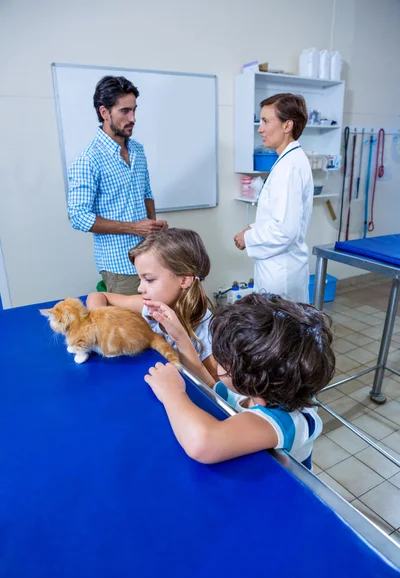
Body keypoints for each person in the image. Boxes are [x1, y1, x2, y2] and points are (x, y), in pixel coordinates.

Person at [144, 293, 335, 468]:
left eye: (221, 360)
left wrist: (172, 394)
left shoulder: (285, 421)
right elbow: (211, 387)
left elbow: (202, 444)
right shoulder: (257, 390)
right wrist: (180, 337)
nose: (216, 360)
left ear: (245, 377)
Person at [68, 75, 168, 295]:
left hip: (149, 256)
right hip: (119, 266)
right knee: (130, 328)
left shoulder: (138, 151)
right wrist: (133, 227)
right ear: (104, 112)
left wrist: (152, 228)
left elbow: (146, 193)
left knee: (154, 323)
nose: (132, 118)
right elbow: (78, 216)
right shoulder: (88, 159)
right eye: (125, 111)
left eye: (134, 110)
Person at [86, 228, 218, 384]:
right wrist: (102, 320)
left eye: (149, 279)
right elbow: (97, 296)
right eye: (140, 279)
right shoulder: (147, 305)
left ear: (184, 280)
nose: (140, 288)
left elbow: (215, 388)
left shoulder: (207, 329)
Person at [234, 93, 313, 303]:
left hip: (281, 273)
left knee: (281, 333)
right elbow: (279, 216)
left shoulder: (289, 167)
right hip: (279, 267)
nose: (260, 128)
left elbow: (285, 230)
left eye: (266, 121)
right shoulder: (288, 160)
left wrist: (247, 238)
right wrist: (253, 227)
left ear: (287, 125)